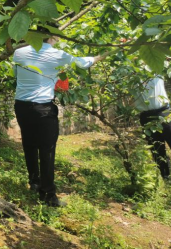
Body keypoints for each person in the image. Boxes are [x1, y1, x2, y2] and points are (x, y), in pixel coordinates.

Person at [13, 34, 105, 207]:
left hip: (21, 106)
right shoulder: (56, 54)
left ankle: (34, 182)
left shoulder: (19, 52)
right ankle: (48, 195)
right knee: (47, 150)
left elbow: (16, 75)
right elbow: (81, 63)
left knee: (29, 144)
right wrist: (100, 56)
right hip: (42, 108)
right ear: (53, 35)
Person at [135, 75, 171, 180]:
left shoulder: (155, 69)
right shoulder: (128, 73)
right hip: (146, 117)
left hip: (164, 112)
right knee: (157, 150)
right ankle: (166, 180)